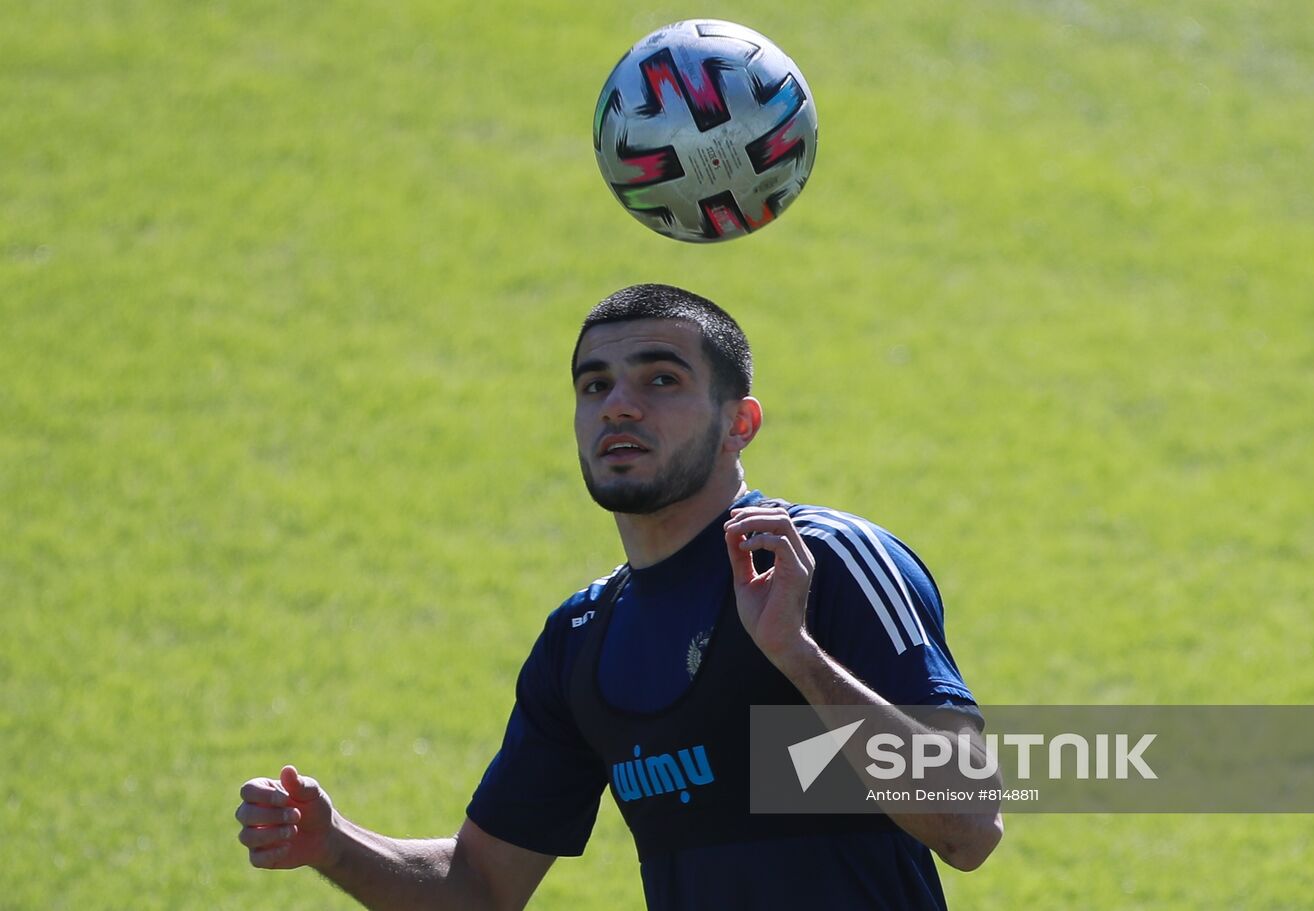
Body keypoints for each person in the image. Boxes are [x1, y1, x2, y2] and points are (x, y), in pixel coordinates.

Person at [236, 283, 1003, 910]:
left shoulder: (825, 560)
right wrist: (334, 843)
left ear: (740, 423)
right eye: (594, 385)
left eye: (660, 379)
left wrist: (798, 658)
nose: (619, 406)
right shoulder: (584, 636)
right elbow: (481, 886)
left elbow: (971, 825)